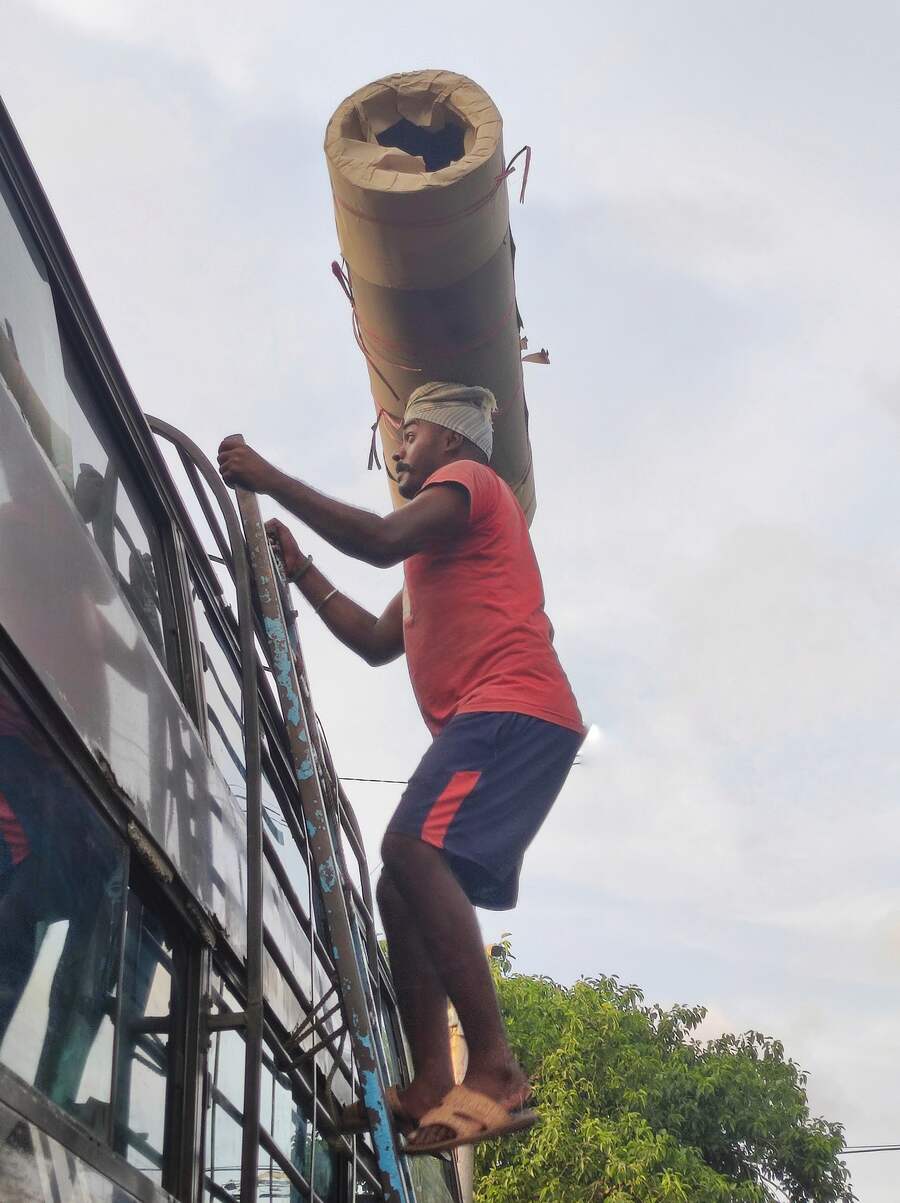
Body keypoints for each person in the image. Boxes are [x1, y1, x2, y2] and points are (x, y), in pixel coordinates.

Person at [217, 381, 584, 1154]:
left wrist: (272, 477)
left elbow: (381, 538)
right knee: (399, 880)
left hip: (514, 706)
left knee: (411, 845)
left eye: (411, 436)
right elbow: (374, 640)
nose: (399, 449)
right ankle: (428, 1082)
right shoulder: (432, 570)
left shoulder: (472, 486)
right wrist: (302, 568)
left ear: (451, 443)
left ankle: (494, 1065)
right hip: (500, 716)